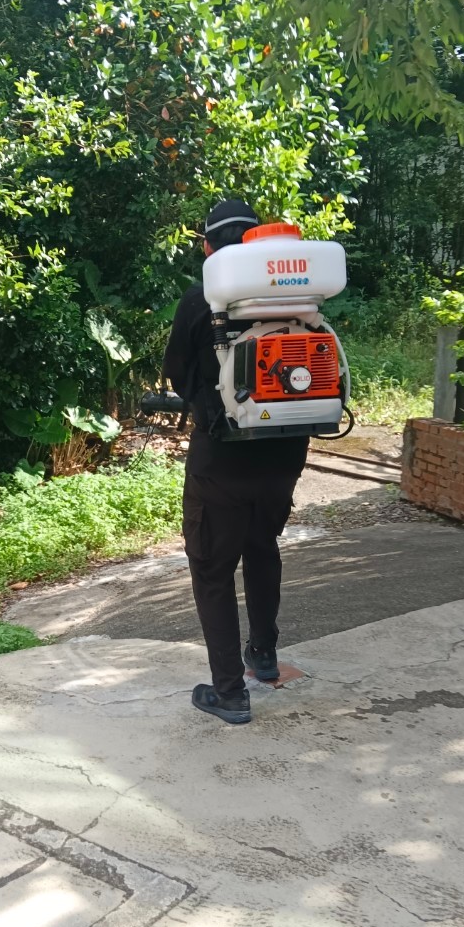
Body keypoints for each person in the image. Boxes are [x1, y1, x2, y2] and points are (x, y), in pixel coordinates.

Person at [162, 198, 309, 725]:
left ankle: (228, 693)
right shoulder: (296, 297)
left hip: (221, 461)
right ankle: (263, 655)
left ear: (208, 247)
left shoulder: (201, 299)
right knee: (262, 548)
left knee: (212, 569)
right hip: (285, 456)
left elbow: (178, 372)